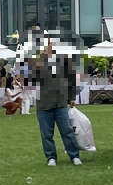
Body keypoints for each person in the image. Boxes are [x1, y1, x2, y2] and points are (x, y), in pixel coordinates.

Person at [32, 35, 81, 166]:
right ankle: (51, 157)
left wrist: (72, 97)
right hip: (43, 104)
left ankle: (74, 155)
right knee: (46, 134)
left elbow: (71, 80)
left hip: (60, 103)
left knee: (67, 131)